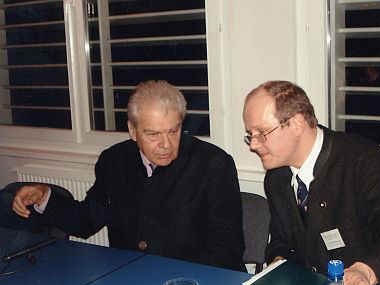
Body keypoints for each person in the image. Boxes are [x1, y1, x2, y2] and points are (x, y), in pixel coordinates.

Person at [242, 80, 380, 285]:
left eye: (262, 133)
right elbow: (282, 239)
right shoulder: (277, 177)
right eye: (250, 135)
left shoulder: (363, 161)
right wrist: (279, 262)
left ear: (297, 123)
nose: (253, 145)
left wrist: (365, 271)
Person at [10, 80, 245, 271]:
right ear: (133, 130)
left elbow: (225, 249)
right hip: (132, 281)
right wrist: (44, 197)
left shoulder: (213, 164)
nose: (166, 144)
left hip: (196, 284)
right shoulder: (114, 161)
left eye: (173, 131)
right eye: (153, 134)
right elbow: (86, 220)